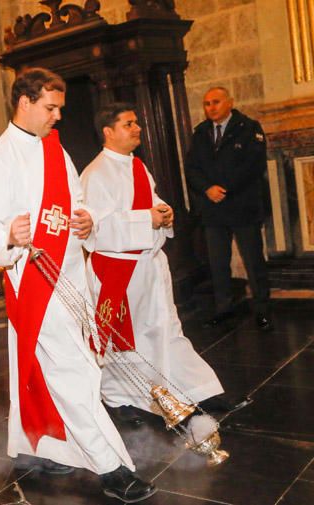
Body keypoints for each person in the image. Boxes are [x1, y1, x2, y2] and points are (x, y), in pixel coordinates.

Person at [0, 68, 155, 503]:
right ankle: (112, 467)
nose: (57, 117)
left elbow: (73, 201)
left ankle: (38, 447)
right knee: (74, 369)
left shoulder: (55, 149)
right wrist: (7, 235)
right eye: (50, 108)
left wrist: (85, 219)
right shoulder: (0, 158)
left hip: (70, 276)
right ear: (25, 102)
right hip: (34, 282)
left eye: (60, 109)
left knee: (47, 368)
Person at [81, 103, 237, 424]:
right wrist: (146, 218)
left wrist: (163, 211)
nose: (137, 128)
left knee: (166, 328)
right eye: (129, 124)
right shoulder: (95, 174)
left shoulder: (137, 166)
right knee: (127, 340)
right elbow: (96, 230)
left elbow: (151, 201)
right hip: (119, 271)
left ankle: (199, 390)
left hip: (149, 265)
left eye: (137, 122)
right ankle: (122, 400)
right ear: (108, 132)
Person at [185, 87, 271, 330]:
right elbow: (191, 168)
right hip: (214, 209)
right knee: (218, 263)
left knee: (254, 262)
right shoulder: (201, 133)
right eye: (207, 103)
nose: (210, 107)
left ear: (230, 103)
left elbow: (253, 165)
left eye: (216, 102)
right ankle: (224, 310)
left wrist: (224, 188)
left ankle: (263, 311)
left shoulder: (248, 128)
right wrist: (207, 189)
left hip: (243, 205)